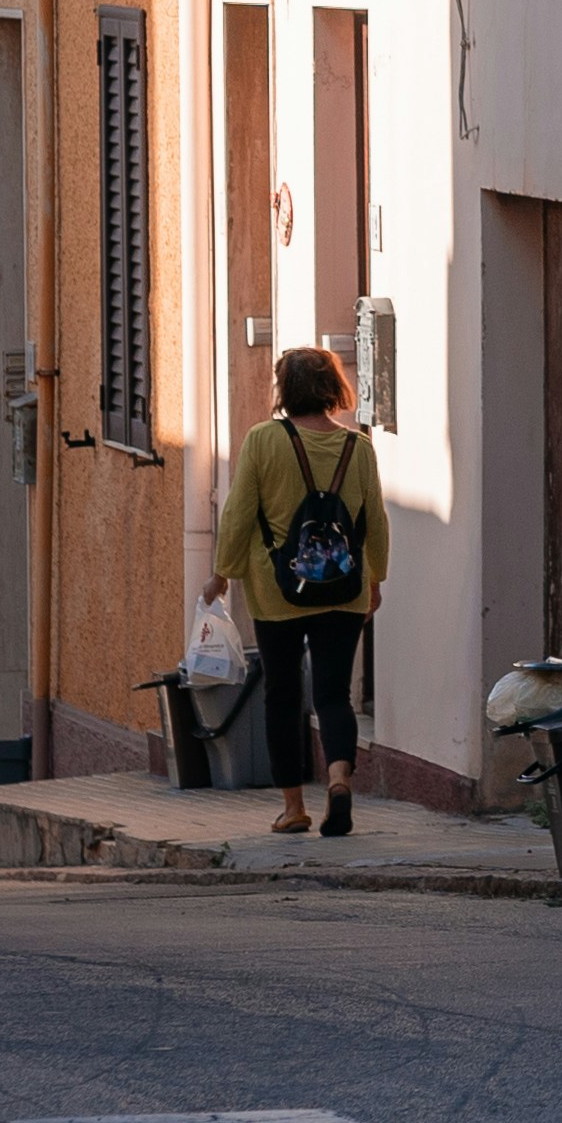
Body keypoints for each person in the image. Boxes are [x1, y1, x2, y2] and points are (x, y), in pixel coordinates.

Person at [215, 344, 390, 835]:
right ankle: (338, 780)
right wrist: (375, 576)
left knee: (283, 694)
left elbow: (239, 511)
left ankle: (293, 807)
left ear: (284, 390)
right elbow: (374, 520)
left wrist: (223, 570)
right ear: (332, 388)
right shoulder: (358, 447)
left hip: (277, 591)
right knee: (334, 694)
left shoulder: (263, 441)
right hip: (343, 587)